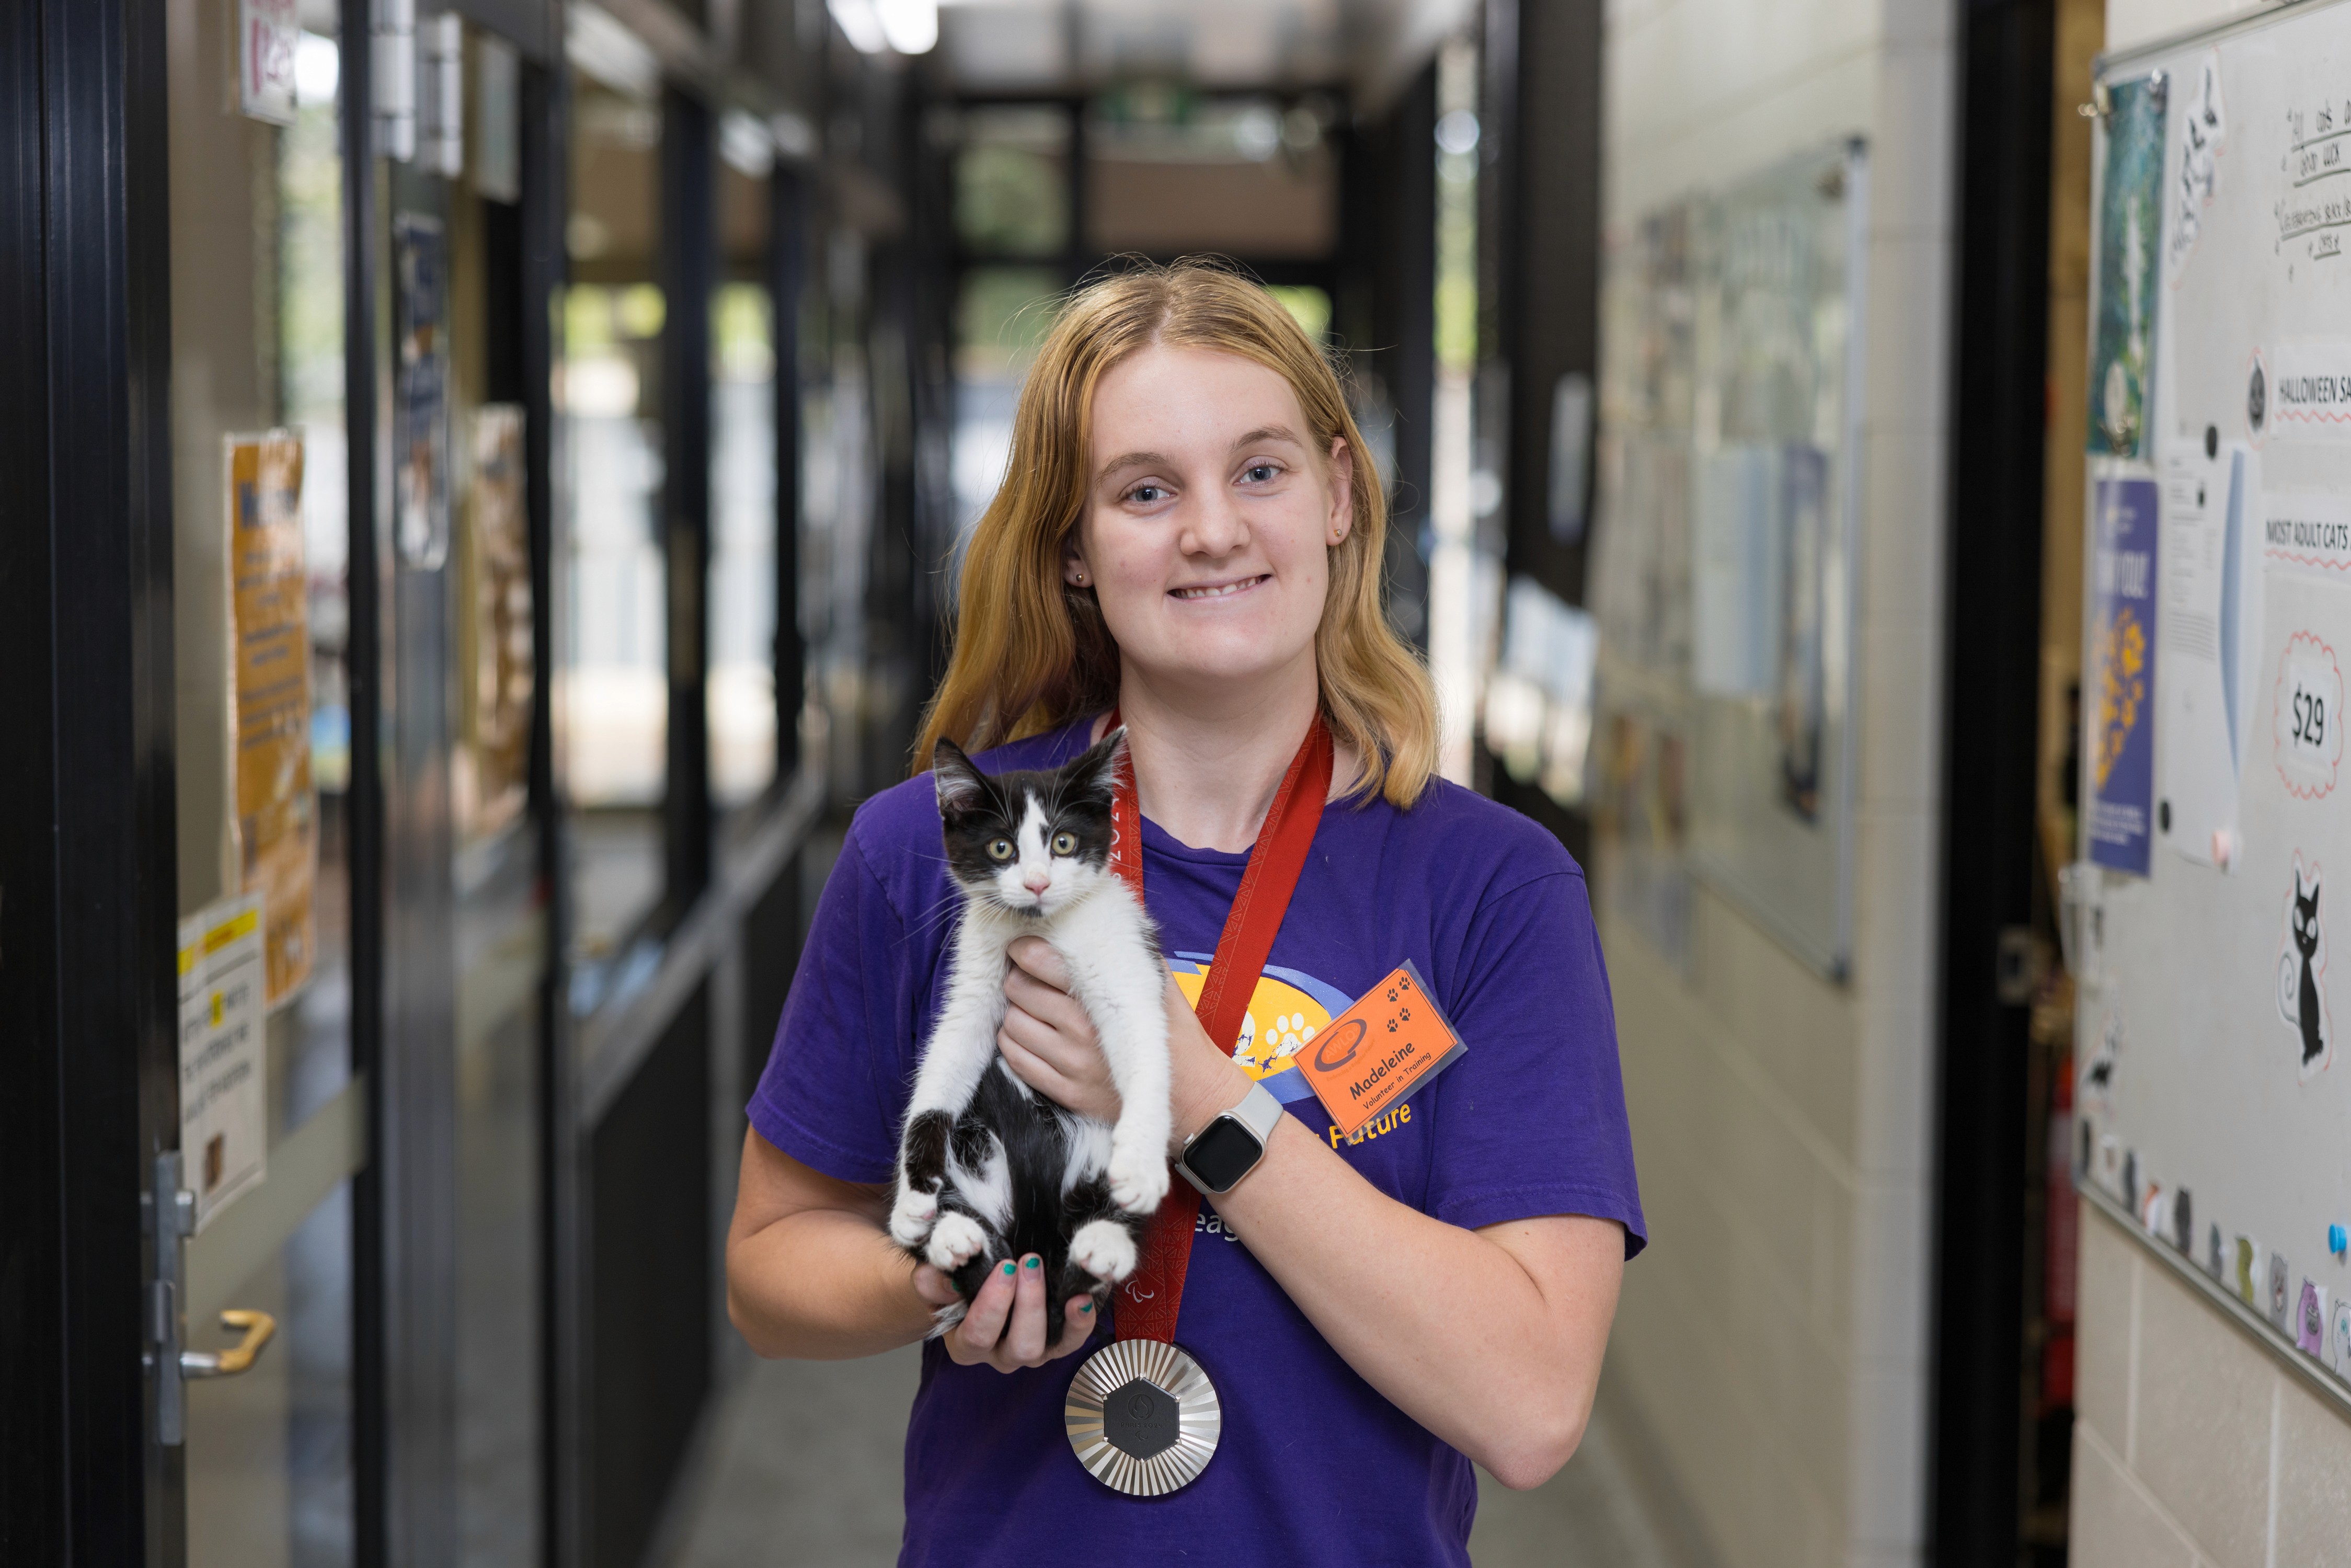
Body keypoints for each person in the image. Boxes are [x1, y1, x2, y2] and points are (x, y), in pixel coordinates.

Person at [725, 260, 1643, 1566]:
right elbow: (768, 1271)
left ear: (1336, 495)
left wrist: (1193, 1094)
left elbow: (1530, 1403)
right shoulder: (921, 859)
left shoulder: (1491, 890)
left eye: (1259, 472)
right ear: (1075, 551)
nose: (1210, 531)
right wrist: (939, 1274)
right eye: (1145, 491)